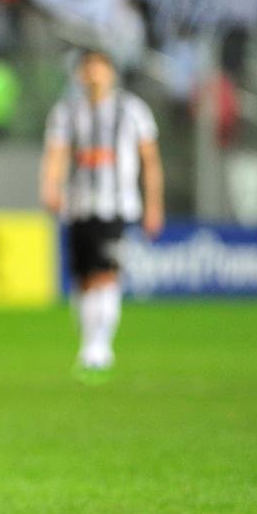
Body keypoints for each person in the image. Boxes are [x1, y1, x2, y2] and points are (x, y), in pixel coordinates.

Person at [39, 48, 164, 379]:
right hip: (79, 205)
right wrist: (50, 186)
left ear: (111, 72)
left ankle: (100, 346)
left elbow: (149, 161)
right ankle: (88, 344)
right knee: (83, 278)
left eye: (99, 67)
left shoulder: (132, 110)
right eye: (88, 67)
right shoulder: (66, 112)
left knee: (106, 273)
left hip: (117, 205)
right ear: (80, 74)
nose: (93, 73)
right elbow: (57, 153)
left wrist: (154, 205)